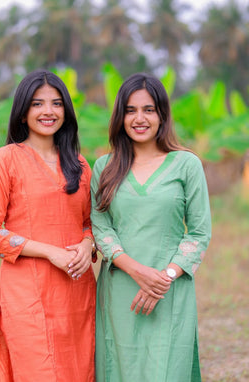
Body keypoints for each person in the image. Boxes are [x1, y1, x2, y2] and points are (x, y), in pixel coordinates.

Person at [0, 69, 96, 382]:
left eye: (56, 104)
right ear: (23, 110)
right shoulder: (4, 161)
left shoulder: (79, 164)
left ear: (66, 111)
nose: (48, 112)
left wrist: (87, 244)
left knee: (80, 369)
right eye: (38, 104)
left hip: (77, 289)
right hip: (27, 291)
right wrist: (49, 253)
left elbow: (90, 221)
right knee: (39, 370)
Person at [90, 72, 211, 382]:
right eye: (130, 110)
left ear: (162, 115)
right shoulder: (105, 167)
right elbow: (101, 227)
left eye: (148, 109)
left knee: (168, 368)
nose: (139, 118)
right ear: (120, 116)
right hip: (120, 289)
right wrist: (136, 270)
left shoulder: (186, 164)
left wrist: (163, 279)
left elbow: (199, 233)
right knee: (120, 367)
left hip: (170, 290)